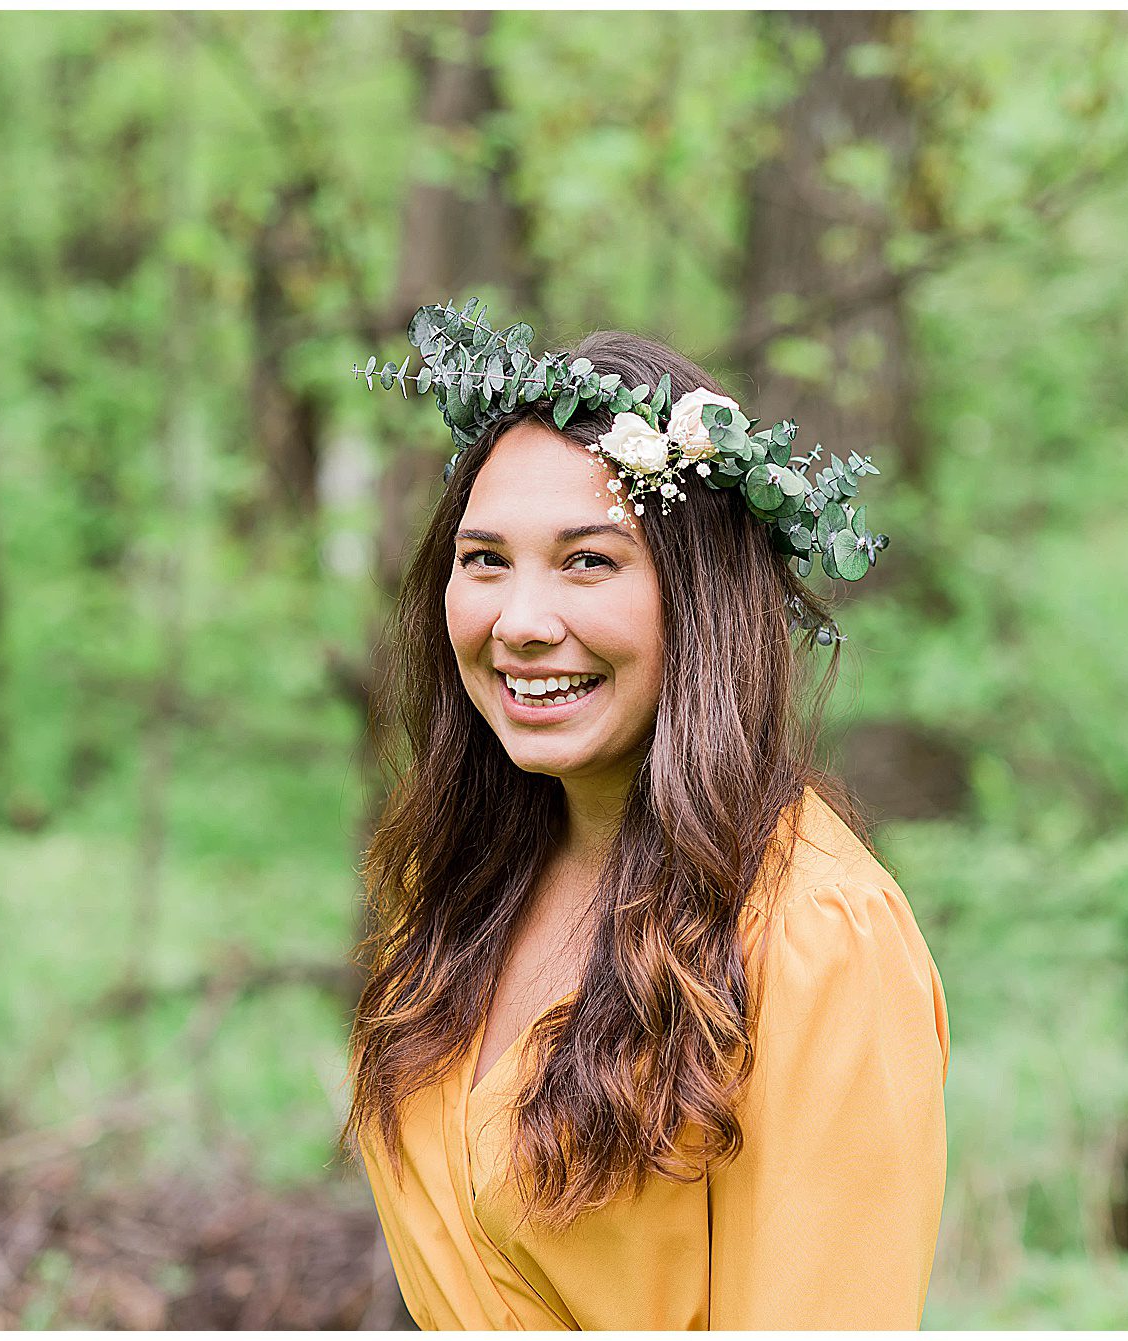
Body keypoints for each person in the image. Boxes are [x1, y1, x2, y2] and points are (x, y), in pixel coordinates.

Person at [340, 309, 948, 1330]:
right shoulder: (446, 898)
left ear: (697, 599)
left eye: (587, 562)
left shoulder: (813, 941)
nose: (522, 623)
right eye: (484, 559)